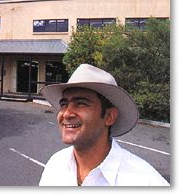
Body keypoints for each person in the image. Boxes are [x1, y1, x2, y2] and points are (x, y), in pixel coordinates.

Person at [39, 64, 169, 186]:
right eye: (64, 104)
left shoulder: (145, 182)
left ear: (109, 117)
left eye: (81, 103)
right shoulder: (55, 166)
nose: (66, 113)